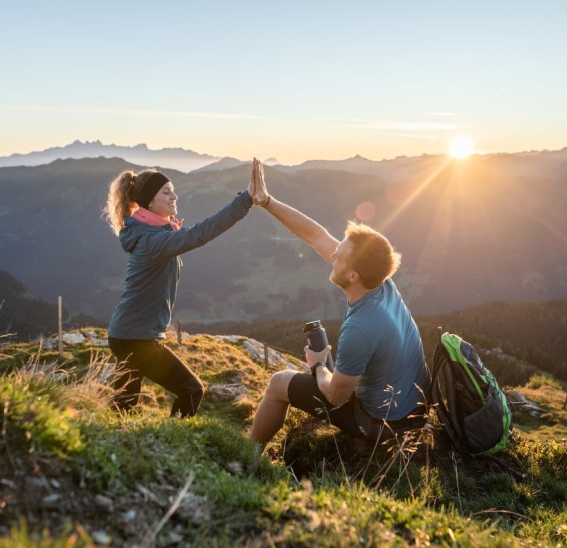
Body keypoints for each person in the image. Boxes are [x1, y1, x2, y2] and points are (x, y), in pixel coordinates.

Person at [247, 159, 431, 449]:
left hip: (385, 426)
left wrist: (319, 365)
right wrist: (267, 201)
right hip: (414, 410)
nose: (332, 255)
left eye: (339, 256)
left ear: (353, 275)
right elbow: (315, 235)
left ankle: (247, 458)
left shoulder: (360, 327)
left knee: (279, 383)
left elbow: (336, 397)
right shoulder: (381, 282)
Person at [104, 162, 257, 417]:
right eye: (166, 192)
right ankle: (178, 437)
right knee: (192, 390)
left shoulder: (150, 232)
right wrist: (245, 200)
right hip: (134, 338)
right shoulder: (153, 240)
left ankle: (111, 435)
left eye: (173, 190)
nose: (174, 196)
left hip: (127, 334)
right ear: (149, 202)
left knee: (124, 403)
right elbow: (199, 234)